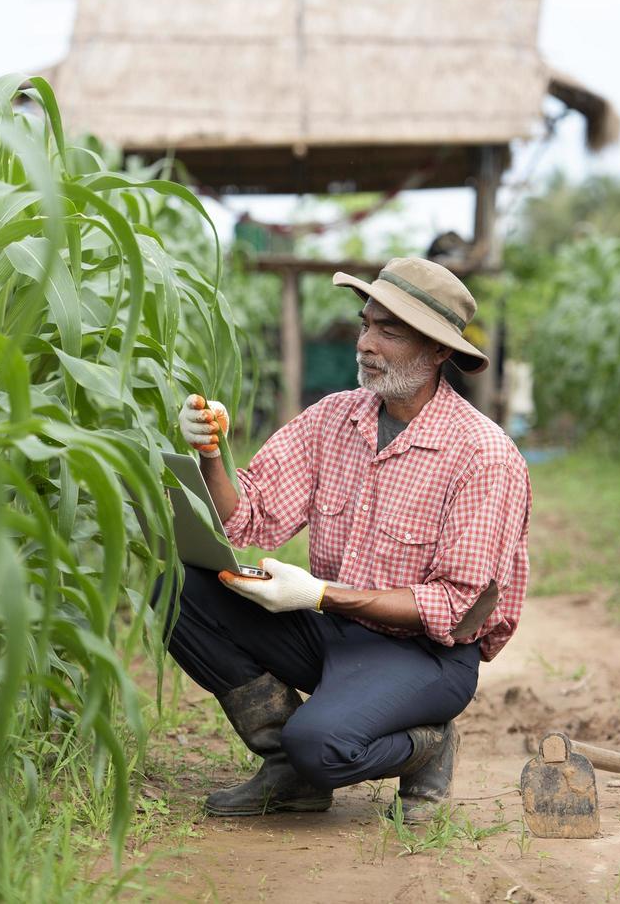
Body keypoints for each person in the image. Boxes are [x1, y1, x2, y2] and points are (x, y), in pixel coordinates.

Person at [158, 257, 531, 822]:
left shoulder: (483, 454)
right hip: (335, 632)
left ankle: (426, 747)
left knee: (323, 745)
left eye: (389, 331)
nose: (366, 344)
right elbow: (249, 518)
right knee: (177, 587)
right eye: (366, 324)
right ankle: (286, 769)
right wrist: (211, 454)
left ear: (437, 352)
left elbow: (456, 609)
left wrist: (319, 595)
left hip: (427, 655)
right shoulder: (334, 418)